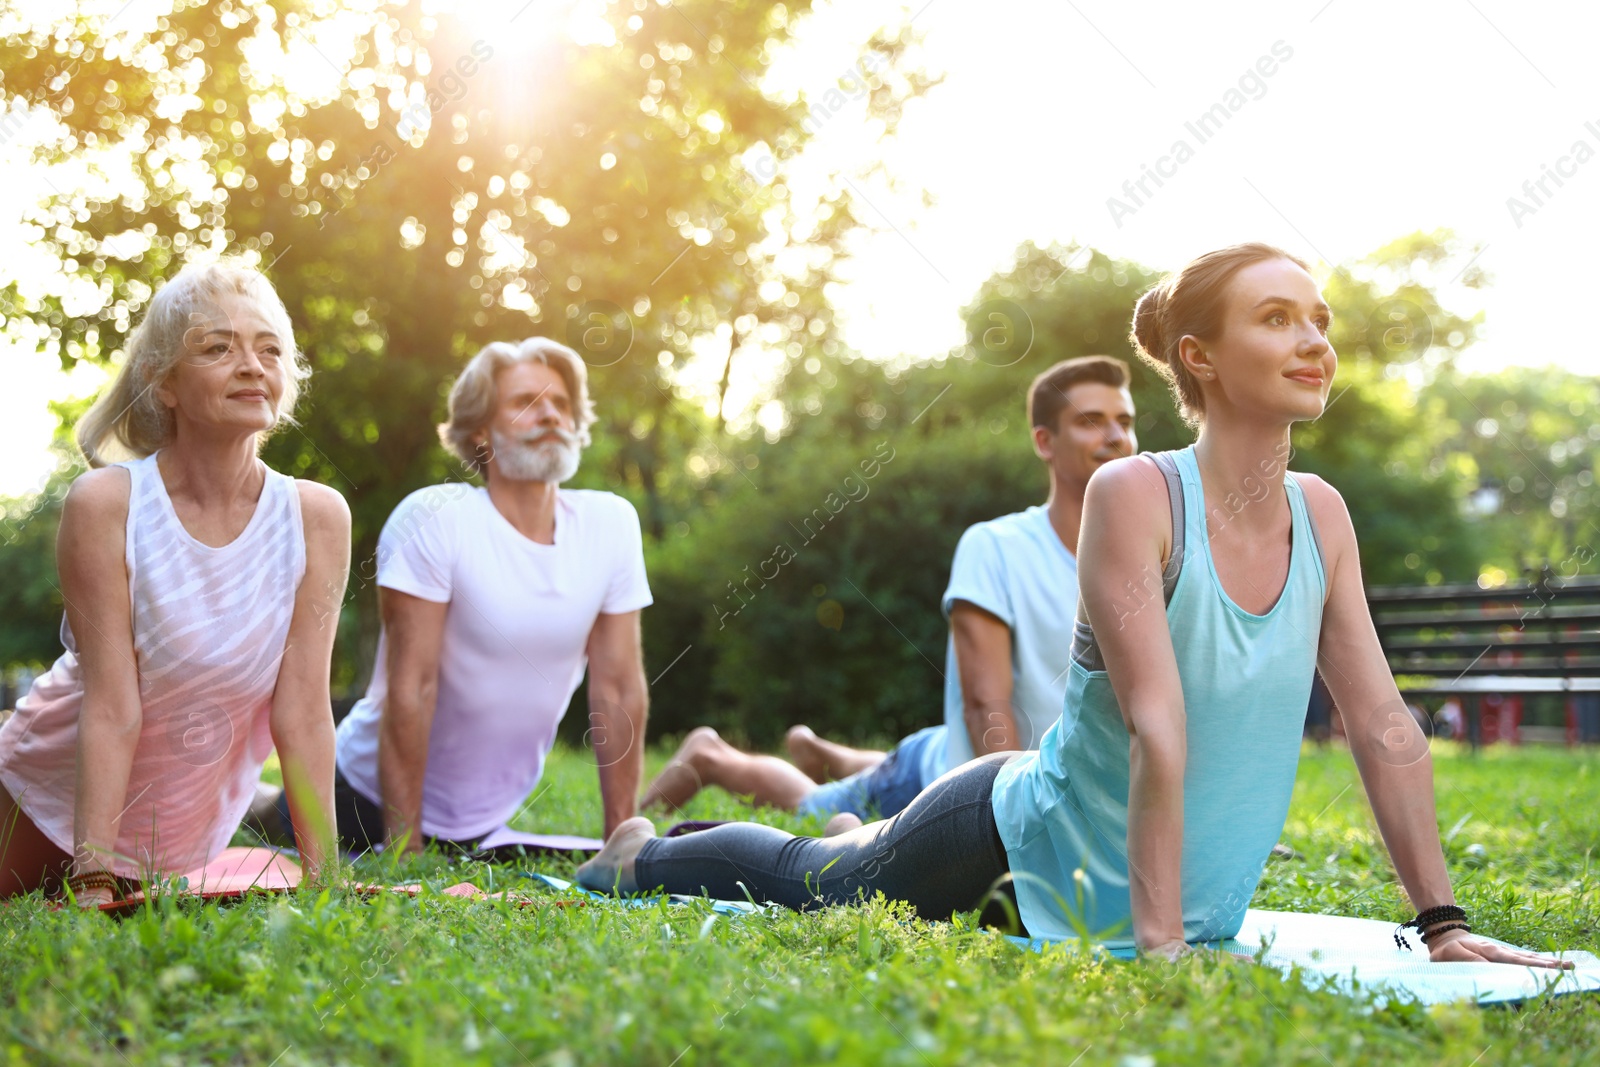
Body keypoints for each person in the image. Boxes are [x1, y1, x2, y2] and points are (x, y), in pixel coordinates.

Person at [577, 242, 1572, 969]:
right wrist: (1158, 943)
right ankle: (637, 854)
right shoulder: (1136, 493)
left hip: (1158, 885)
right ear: (1199, 356)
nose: (1312, 339)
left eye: (1317, 318)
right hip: (1009, 834)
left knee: (841, 856)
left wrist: (1440, 920)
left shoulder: (1321, 513)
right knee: (818, 879)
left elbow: (1380, 718)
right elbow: (1153, 717)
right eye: (1276, 318)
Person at [638, 357, 1137, 827]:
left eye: (1125, 421)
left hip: (961, 747)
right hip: (951, 774)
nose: (1116, 437)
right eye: (1091, 420)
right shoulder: (996, 546)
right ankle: (712, 756)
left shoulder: (1145, 561)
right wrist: (1021, 821)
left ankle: (829, 755)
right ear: (1044, 441)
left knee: (900, 757)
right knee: (810, 805)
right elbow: (985, 703)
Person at [0, 261, 349, 906]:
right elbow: (111, 702)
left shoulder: (317, 517)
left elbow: (301, 709)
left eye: (268, 348)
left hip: (174, 830)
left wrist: (325, 879)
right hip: (41, 787)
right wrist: (94, 871)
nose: (251, 364)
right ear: (164, 385)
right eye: (218, 347)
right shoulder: (107, 504)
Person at [253, 337, 651, 853]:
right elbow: (411, 686)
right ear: (481, 433)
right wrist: (406, 847)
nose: (549, 414)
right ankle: (245, 797)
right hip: (360, 796)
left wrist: (621, 843)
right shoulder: (437, 517)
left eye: (561, 403)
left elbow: (619, 689)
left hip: (484, 822)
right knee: (261, 815)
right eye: (525, 402)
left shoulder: (611, 523)